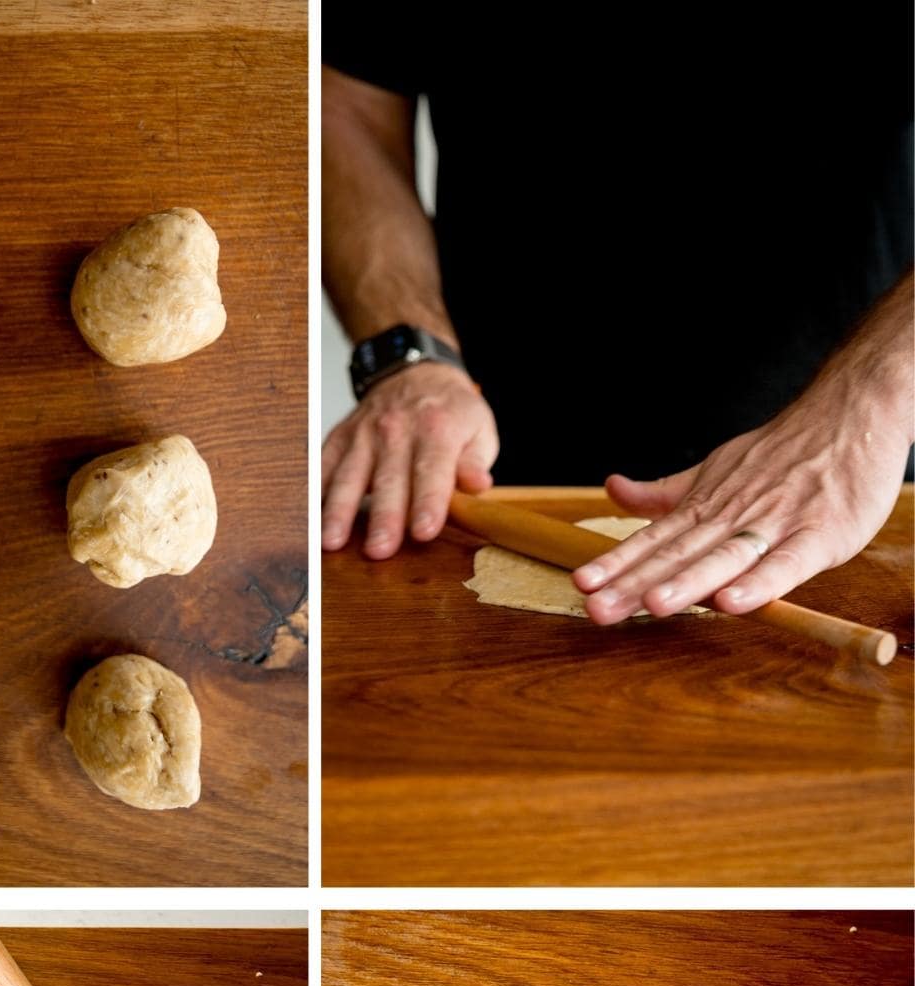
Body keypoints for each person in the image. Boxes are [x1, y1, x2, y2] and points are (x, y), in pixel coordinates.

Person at [321, 17, 914, 621]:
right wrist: (409, 353)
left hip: (858, 477)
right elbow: (347, 105)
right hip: (487, 464)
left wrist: (877, 396)